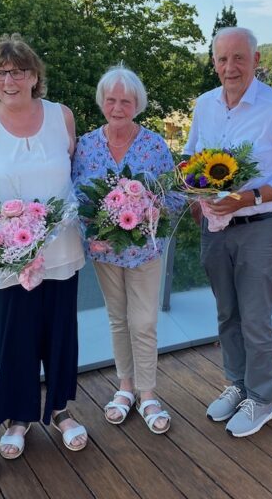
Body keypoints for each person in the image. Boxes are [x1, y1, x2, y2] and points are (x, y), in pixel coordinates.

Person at [0, 34, 87, 458]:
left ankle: (60, 410)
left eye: (18, 71)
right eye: (0, 72)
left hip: (61, 249)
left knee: (60, 333)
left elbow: (73, 177)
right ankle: (18, 417)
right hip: (7, 254)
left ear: (35, 76)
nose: (9, 80)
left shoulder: (62, 116)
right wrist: (7, 240)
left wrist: (45, 232)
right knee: (15, 336)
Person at [183, 27, 272, 437]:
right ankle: (237, 385)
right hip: (215, 228)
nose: (230, 67)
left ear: (256, 60)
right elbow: (190, 157)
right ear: (214, 63)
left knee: (255, 319)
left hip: (260, 228)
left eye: (239, 58)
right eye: (222, 59)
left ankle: (261, 399)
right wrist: (195, 195)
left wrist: (246, 198)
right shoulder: (205, 104)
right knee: (227, 314)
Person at [72, 66, 178, 434]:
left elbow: (174, 194)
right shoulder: (86, 146)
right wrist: (90, 234)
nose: (118, 108)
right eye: (111, 100)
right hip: (104, 252)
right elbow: (75, 197)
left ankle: (148, 393)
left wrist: (151, 213)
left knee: (143, 321)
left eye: (126, 101)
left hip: (144, 251)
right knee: (118, 319)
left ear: (138, 105)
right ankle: (126, 387)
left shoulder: (154, 145)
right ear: (102, 101)